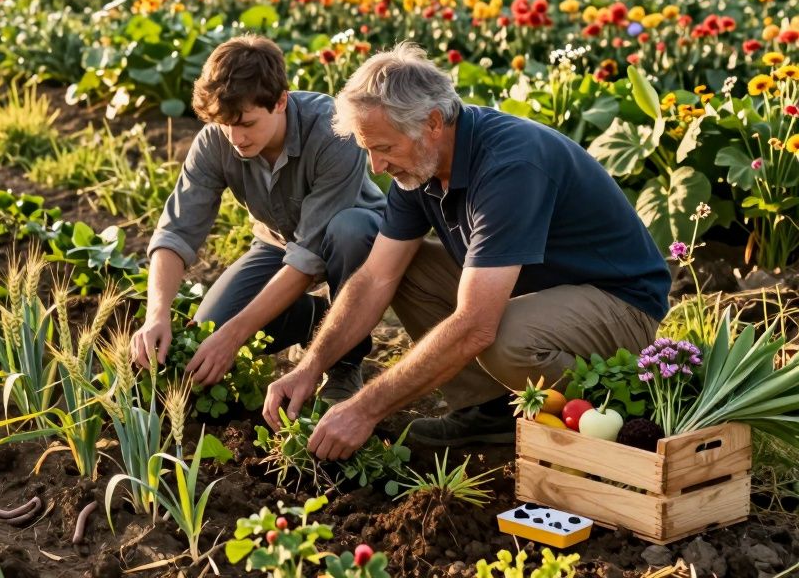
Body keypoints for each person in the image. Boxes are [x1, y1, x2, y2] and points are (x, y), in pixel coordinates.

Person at [262, 41, 671, 455]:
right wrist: (311, 367)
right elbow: (375, 277)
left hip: (621, 306)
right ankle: (490, 411)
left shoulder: (509, 165)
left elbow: (476, 325)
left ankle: (620, 408)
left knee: (500, 335)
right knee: (406, 269)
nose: (377, 167)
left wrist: (364, 410)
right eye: (369, 149)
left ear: (433, 123)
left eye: (383, 148)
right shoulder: (418, 168)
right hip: (537, 293)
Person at [130, 34, 386, 403]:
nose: (235, 137)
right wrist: (157, 313)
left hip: (348, 241)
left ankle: (345, 361)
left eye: (246, 123)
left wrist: (235, 336)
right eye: (224, 124)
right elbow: (176, 231)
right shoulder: (216, 140)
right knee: (208, 333)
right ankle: (318, 320)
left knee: (349, 231)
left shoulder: (332, 130)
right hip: (277, 242)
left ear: (281, 101)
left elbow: (309, 254)